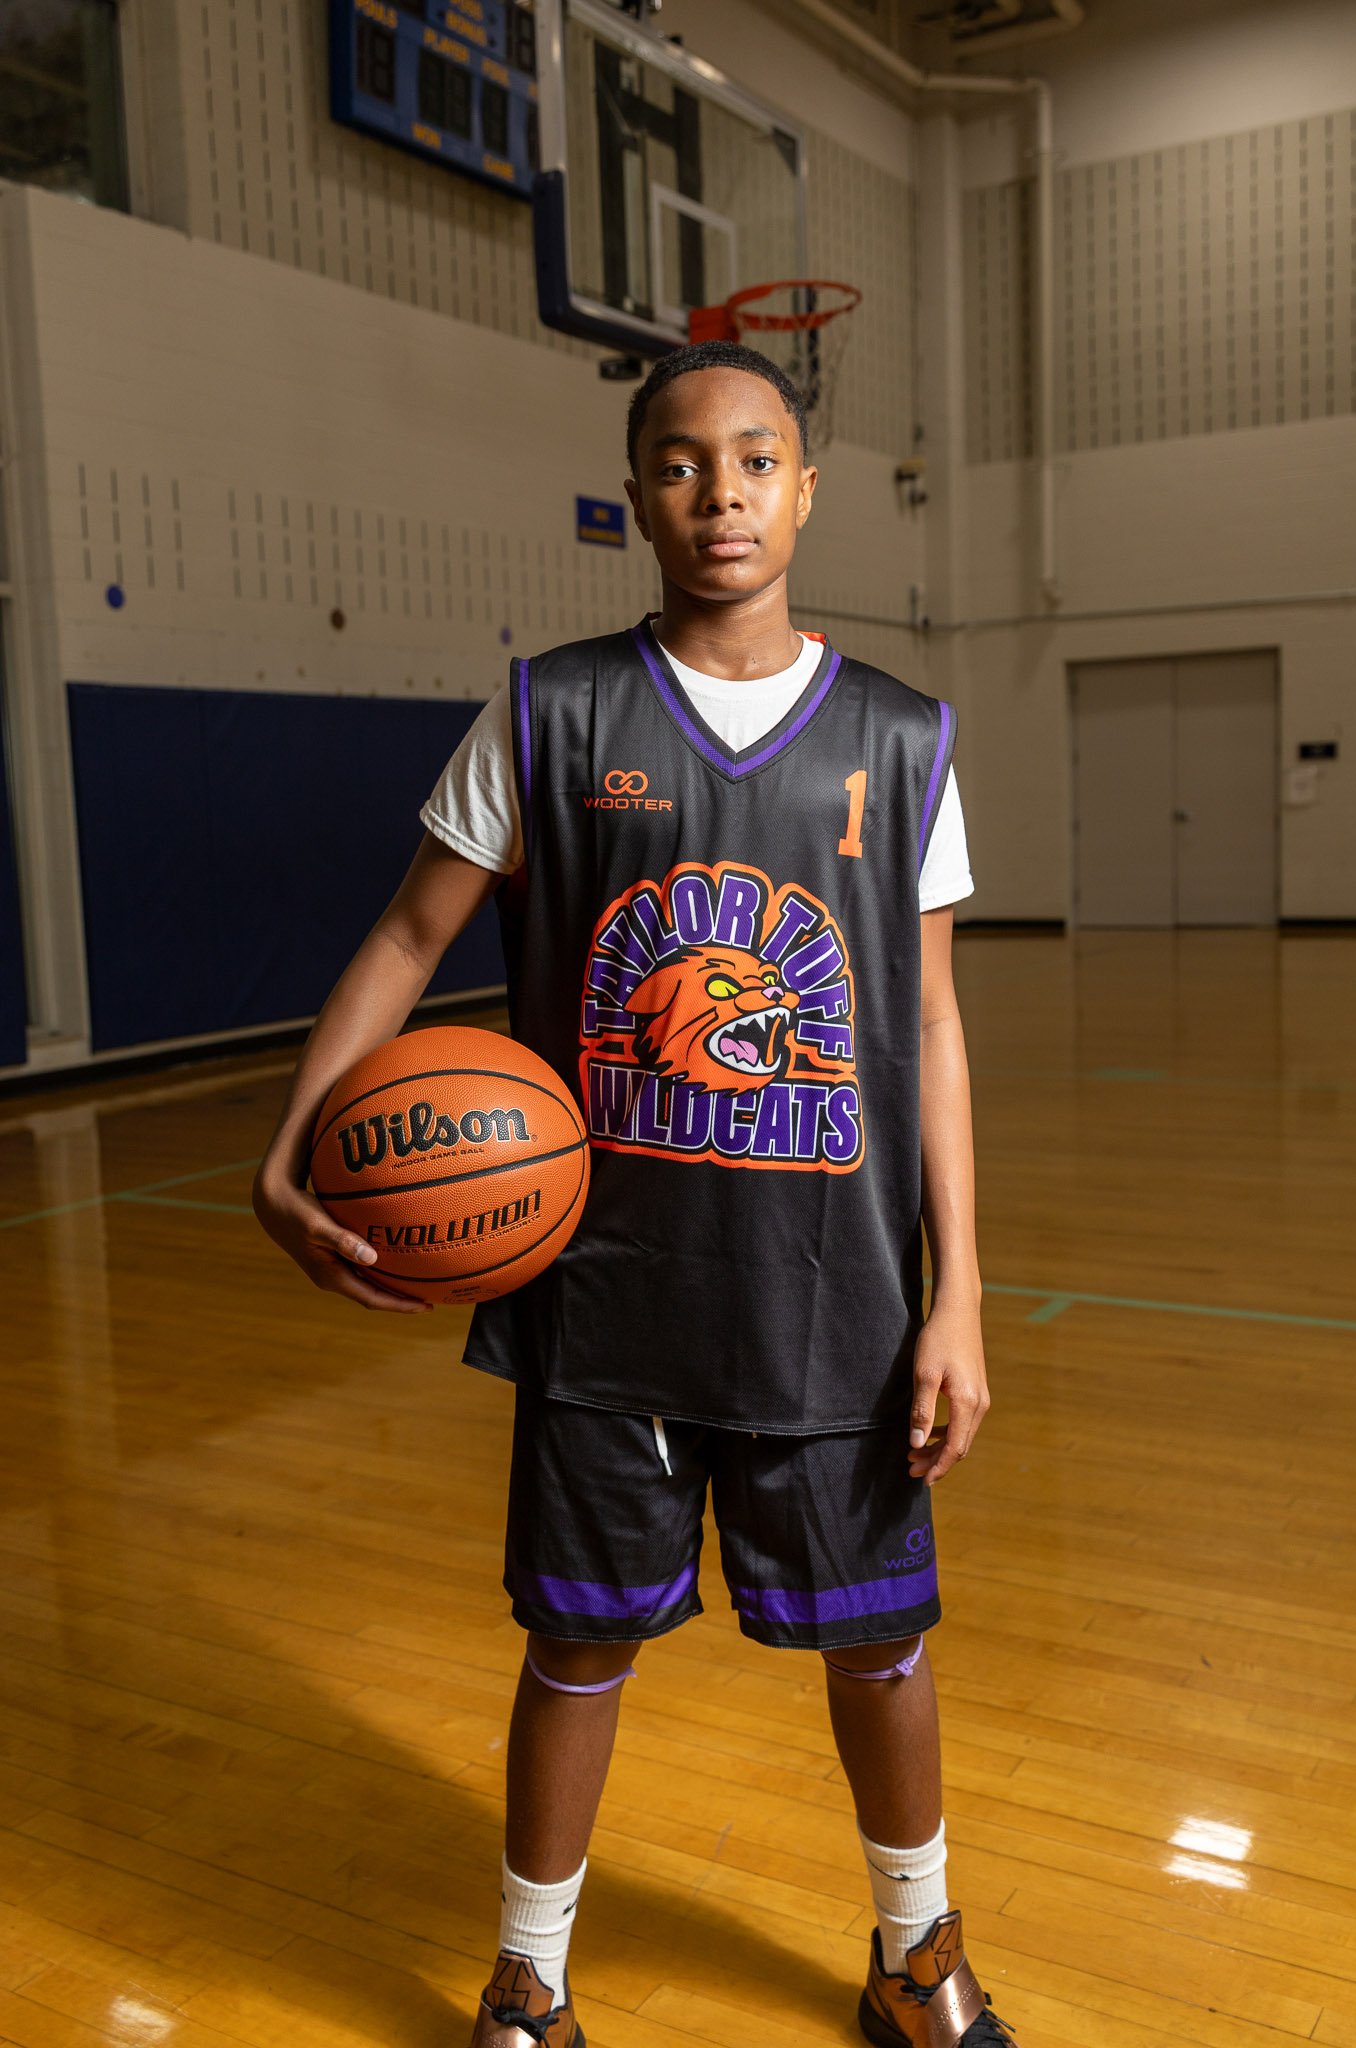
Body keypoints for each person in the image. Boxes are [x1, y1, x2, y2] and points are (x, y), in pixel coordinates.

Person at [253, 339, 1012, 2047]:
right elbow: (405, 937)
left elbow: (934, 1023)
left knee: (880, 1645)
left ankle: (915, 1951)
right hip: (601, 1294)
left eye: (754, 460)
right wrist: (287, 1144)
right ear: (636, 498)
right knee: (576, 1647)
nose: (719, 492)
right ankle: (527, 1977)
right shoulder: (549, 711)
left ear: (805, 490)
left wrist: (957, 1290)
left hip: (836, 1300)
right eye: (679, 463)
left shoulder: (901, 738)